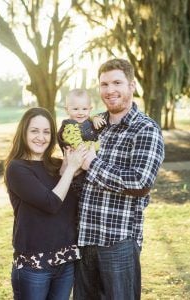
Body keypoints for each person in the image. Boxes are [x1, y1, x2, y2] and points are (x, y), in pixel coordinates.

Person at [73, 58, 165, 300]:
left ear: (132, 85)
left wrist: (92, 163)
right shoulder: (93, 126)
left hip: (118, 242)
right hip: (84, 239)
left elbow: (140, 183)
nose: (110, 90)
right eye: (104, 84)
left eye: (117, 82)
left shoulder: (145, 129)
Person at [4, 107, 87, 300]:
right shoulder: (17, 168)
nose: (41, 137)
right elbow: (51, 203)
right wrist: (70, 170)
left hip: (66, 261)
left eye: (46, 131)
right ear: (23, 132)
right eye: (34, 130)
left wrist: (69, 168)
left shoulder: (59, 165)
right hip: (34, 265)